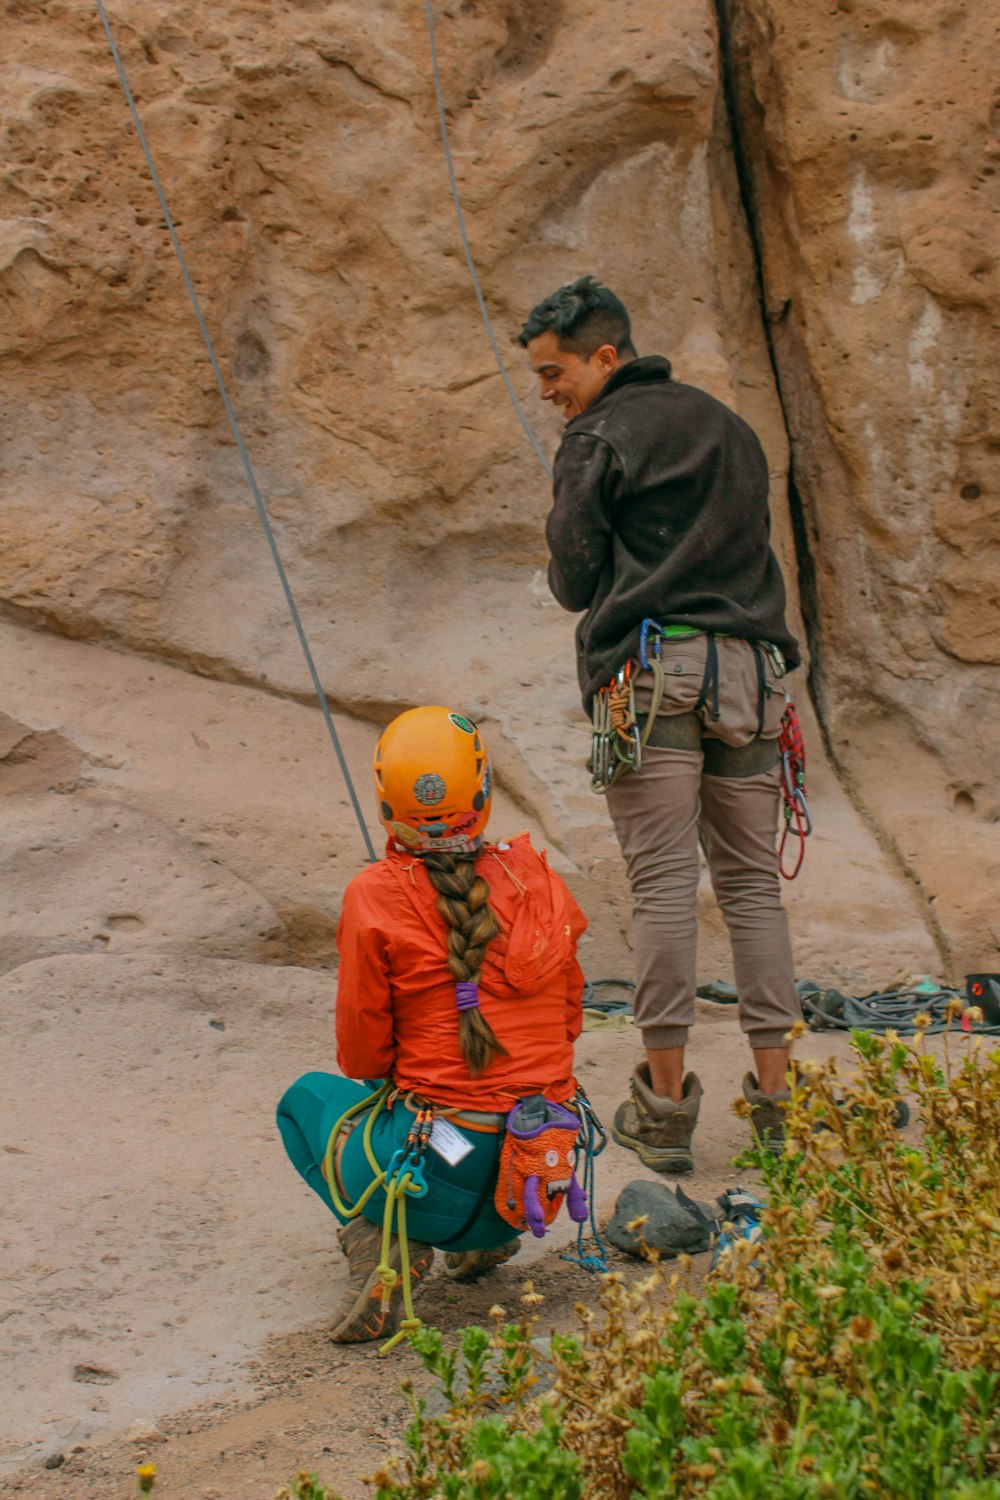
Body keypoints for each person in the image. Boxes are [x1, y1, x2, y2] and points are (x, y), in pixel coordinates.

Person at [517, 275, 803, 1173]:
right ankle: (779, 1109)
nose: (547, 391)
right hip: (754, 677)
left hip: (650, 676)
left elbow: (572, 580)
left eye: (554, 371)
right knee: (754, 888)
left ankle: (666, 1110)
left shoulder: (595, 437)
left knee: (664, 888)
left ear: (607, 356)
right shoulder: (730, 427)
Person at [277, 706, 587, 1345]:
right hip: (537, 1173)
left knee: (303, 1102)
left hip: (435, 1171)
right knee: (450, 1109)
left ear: (387, 805)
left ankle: (380, 1236)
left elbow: (362, 1058)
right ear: (483, 792)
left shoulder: (374, 893)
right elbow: (569, 1019)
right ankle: (486, 1244)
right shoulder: (540, 881)